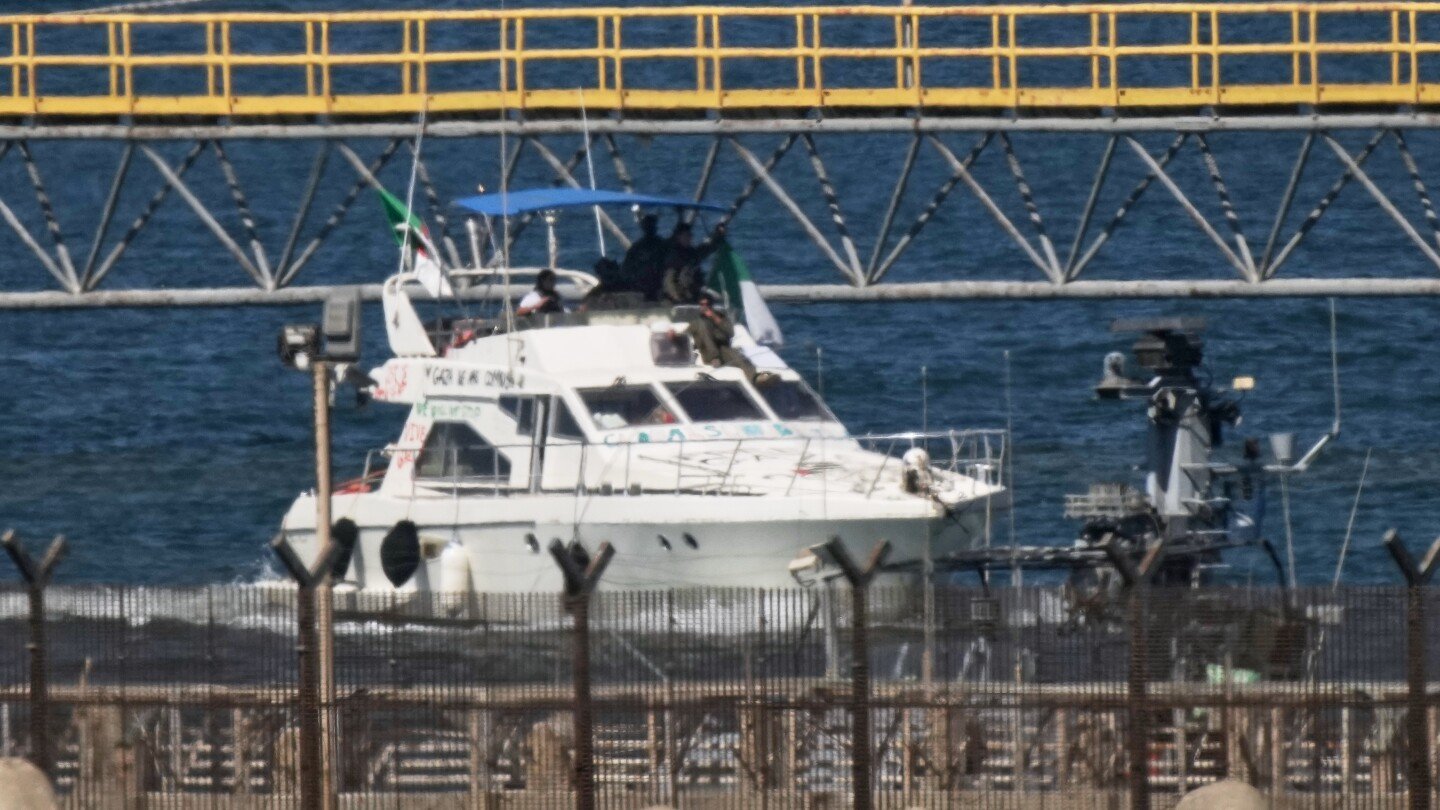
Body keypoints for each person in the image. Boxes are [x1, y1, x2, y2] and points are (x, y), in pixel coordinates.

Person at [690, 290, 776, 385]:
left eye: (707, 304)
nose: (705, 307)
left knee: (739, 357)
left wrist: (715, 318)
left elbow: (730, 332)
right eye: (702, 304)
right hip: (709, 353)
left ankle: (754, 377)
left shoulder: (720, 318)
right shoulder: (697, 322)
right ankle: (715, 359)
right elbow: (686, 334)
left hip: (723, 349)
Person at [662, 221, 725, 305]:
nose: (689, 238)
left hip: (692, 294)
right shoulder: (672, 256)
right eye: (685, 235)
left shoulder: (692, 253)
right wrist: (678, 299)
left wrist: (719, 235)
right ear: (678, 237)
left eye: (690, 235)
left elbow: (708, 248)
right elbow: (669, 281)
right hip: (676, 297)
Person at [621, 213, 668, 300]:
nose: (650, 229)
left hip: (657, 283)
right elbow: (627, 268)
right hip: (643, 284)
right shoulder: (637, 247)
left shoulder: (662, 245)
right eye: (648, 226)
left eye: (651, 226)